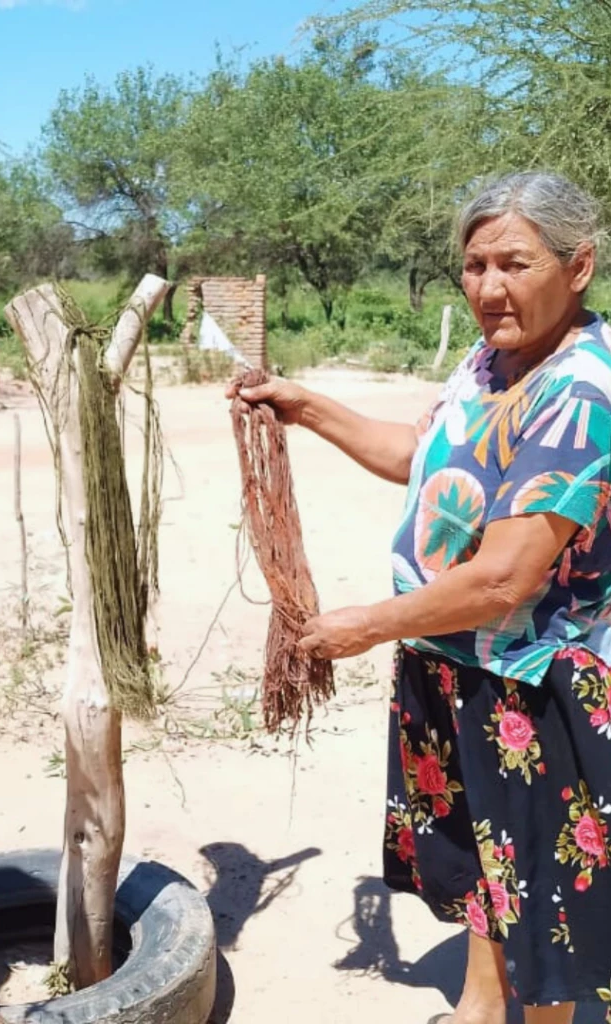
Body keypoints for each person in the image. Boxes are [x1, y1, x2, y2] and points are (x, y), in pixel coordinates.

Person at [232, 171, 611, 1024]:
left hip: (532, 685)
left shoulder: (581, 393)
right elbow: (426, 451)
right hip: (455, 660)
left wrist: (364, 626)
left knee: (542, 896)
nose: (489, 287)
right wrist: (306, 407)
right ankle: (479, 1009)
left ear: (578, 265)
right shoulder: (491, 362)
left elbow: (507, 577)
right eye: (474, 266)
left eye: (515, 263)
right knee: (491, 857)